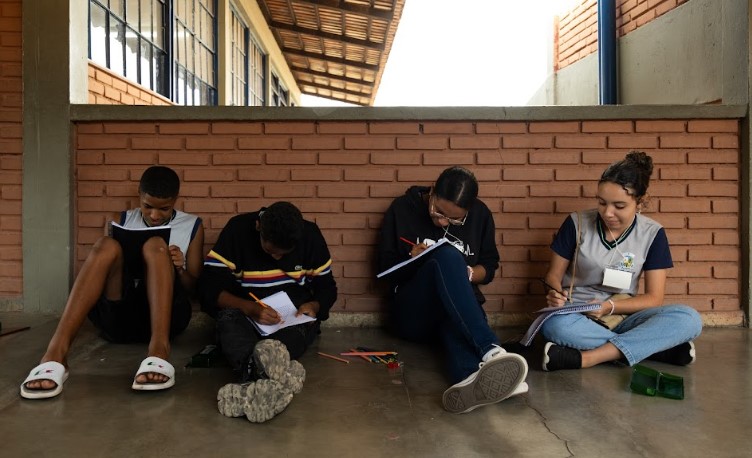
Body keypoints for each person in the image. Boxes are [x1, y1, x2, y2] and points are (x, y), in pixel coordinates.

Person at [20, 165, 205, 399]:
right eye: (147, 206)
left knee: (156, 245)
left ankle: (159, 351)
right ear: (139, 195)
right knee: (105, 245)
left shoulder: (192, 226)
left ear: (175, 200)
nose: (155, 215)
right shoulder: (120, 220)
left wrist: (179, 268)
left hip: (167, 320)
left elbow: (194, 289)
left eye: (164, 209)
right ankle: (55, 354)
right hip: (119, 317)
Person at [377, 166, 528, 414]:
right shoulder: (402, 209)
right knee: (446, 255)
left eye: (455, 219)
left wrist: (465, 274)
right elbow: (383, 270)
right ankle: (490, 349)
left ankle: (469, 381)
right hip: (414, 314)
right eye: (438, 212)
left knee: (454, 316)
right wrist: (410, 257)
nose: (442, 221)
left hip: (457, 313)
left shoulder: (481, 215)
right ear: (432, 192)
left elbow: (489, 267)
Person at [540, 151, 702, 371]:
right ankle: (655, 349)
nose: (607, 213)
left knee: (689, 318)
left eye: (619, 206)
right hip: (578, 314)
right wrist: (554, 293)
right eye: (601, 202)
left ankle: (589, 357)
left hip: (624, 315)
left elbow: (654, 298)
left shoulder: (652, 233)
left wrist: (609, 307)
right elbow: (553, 276)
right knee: (554, 325)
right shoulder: (576, 223)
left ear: (641, 202)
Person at [198, 201, 337, 422]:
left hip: (290, 318)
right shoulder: (237, 230)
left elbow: (327, 288)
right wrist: (249, 308)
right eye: (270, 251)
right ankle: (273, 379)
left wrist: (314, 306)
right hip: (245, 312)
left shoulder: (309, 235)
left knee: (290, 338)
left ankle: (251, 382)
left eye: (285, 254)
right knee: (229, 323)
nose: (277, 258)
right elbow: (208, 288)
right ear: (258, 227)